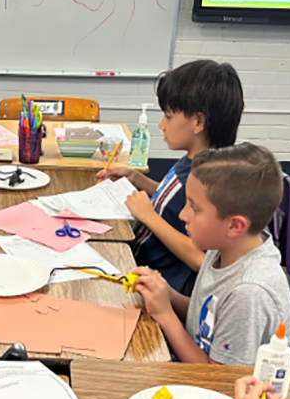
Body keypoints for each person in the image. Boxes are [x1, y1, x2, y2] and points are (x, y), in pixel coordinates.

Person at [133, 143, 290, 366]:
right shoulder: (224, 248)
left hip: (222, 390)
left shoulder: (248, 293)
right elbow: (206, 314)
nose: (182, 215)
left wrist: (165, 315)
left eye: (194, 208)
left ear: (234, 226)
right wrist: (168, 294)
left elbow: (217, 378)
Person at [97, 59, 244, 293]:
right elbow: (171, 199)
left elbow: (202, 261)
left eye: (168, 115)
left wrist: (148, 216)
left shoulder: (209, 180)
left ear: (198, 122)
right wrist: (136, 178)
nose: (161, 125)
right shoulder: (191, 159)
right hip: (141, 260)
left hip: (162, 285)